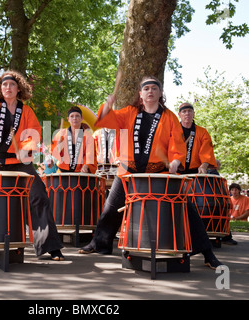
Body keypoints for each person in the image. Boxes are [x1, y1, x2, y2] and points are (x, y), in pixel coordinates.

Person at [78, 76, 223, 270]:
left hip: (159, 174)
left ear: (160, 93)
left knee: (186, 208)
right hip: (128, 172)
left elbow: (177, 143)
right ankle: (99, 244)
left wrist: (174, 161)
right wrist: (107, 106)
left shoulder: (170, 117)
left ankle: (207, 253)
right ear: (140, 94)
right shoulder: (129, 113)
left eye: (154, 88)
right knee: (110, 209)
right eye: (146, 89)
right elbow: (109, 121)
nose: (150, 91)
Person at [0, 70, 64, 261]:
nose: (8, 88)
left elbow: (34, 134)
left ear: (19, 89)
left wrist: (25, 149)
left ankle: (50, 246)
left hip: (18, 163)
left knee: (39, 196)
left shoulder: (27, 111)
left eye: (12, 85)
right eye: (4, 85)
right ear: (0, 89)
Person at [51, 106, 97, 174]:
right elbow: (53, 155)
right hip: (62, 173)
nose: (74, 118)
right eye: (72, 116)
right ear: (68, 119)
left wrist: (87, 165)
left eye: (77, 116)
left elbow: (90, 155)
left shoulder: (89, 137)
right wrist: (58, 147)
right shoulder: (60, 134)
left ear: (81, 118)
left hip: (80, 173)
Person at [177, 103, 218, 174]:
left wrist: (204, 165)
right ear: (179, 115)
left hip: (195, 173)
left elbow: (207, 151)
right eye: (184, 111)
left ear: (193, 114)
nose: (187, 113)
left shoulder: (202, 132)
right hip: (175, 171)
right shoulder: (172, 131)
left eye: (190, 111)